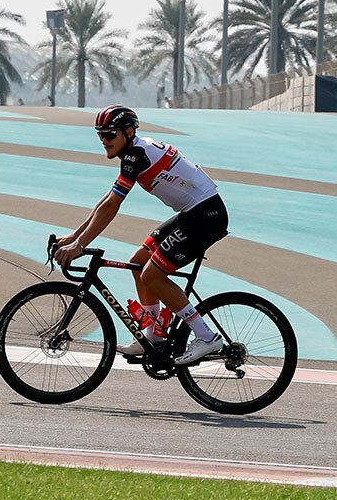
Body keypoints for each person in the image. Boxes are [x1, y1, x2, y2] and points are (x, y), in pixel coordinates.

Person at [55, 105, 230, 365]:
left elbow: (113, 207)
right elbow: (107, 201)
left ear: (128, 132)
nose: (104, 141)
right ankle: (154, 336)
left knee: (152, 274)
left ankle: (206, 336)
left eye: (110, 135)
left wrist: (81, 245)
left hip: (205, 216)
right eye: (100, 135)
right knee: (139, 262)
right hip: (194, 212)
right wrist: (74, 236)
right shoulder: (135, 152)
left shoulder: (136, 156)